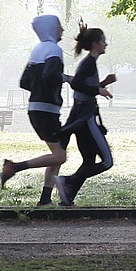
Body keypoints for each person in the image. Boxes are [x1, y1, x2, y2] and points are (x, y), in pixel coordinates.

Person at [0, 13, 70, 205]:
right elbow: (50, 75)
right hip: (47, 109)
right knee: (59, 156)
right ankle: (14, 167)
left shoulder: (37, 50)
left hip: (37, 108)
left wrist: (39, 89)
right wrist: (67, 79)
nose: (62, 30)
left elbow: (24, 82)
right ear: (50, 28)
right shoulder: (54, 50)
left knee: (57, 155)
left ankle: (45, 199)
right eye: (59, 26)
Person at [55, 23, 115, 207]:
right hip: (86, 116)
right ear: (96, 44)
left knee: (89, 160)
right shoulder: (88, 63)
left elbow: (83, 86)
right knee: (106, 161)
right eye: (104, 41)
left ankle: (68, 196)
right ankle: (67, 181)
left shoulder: (90, 64)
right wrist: (99, 89)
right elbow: (76, 84)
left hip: (81, 116)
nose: (106, 44)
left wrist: (103, 83)